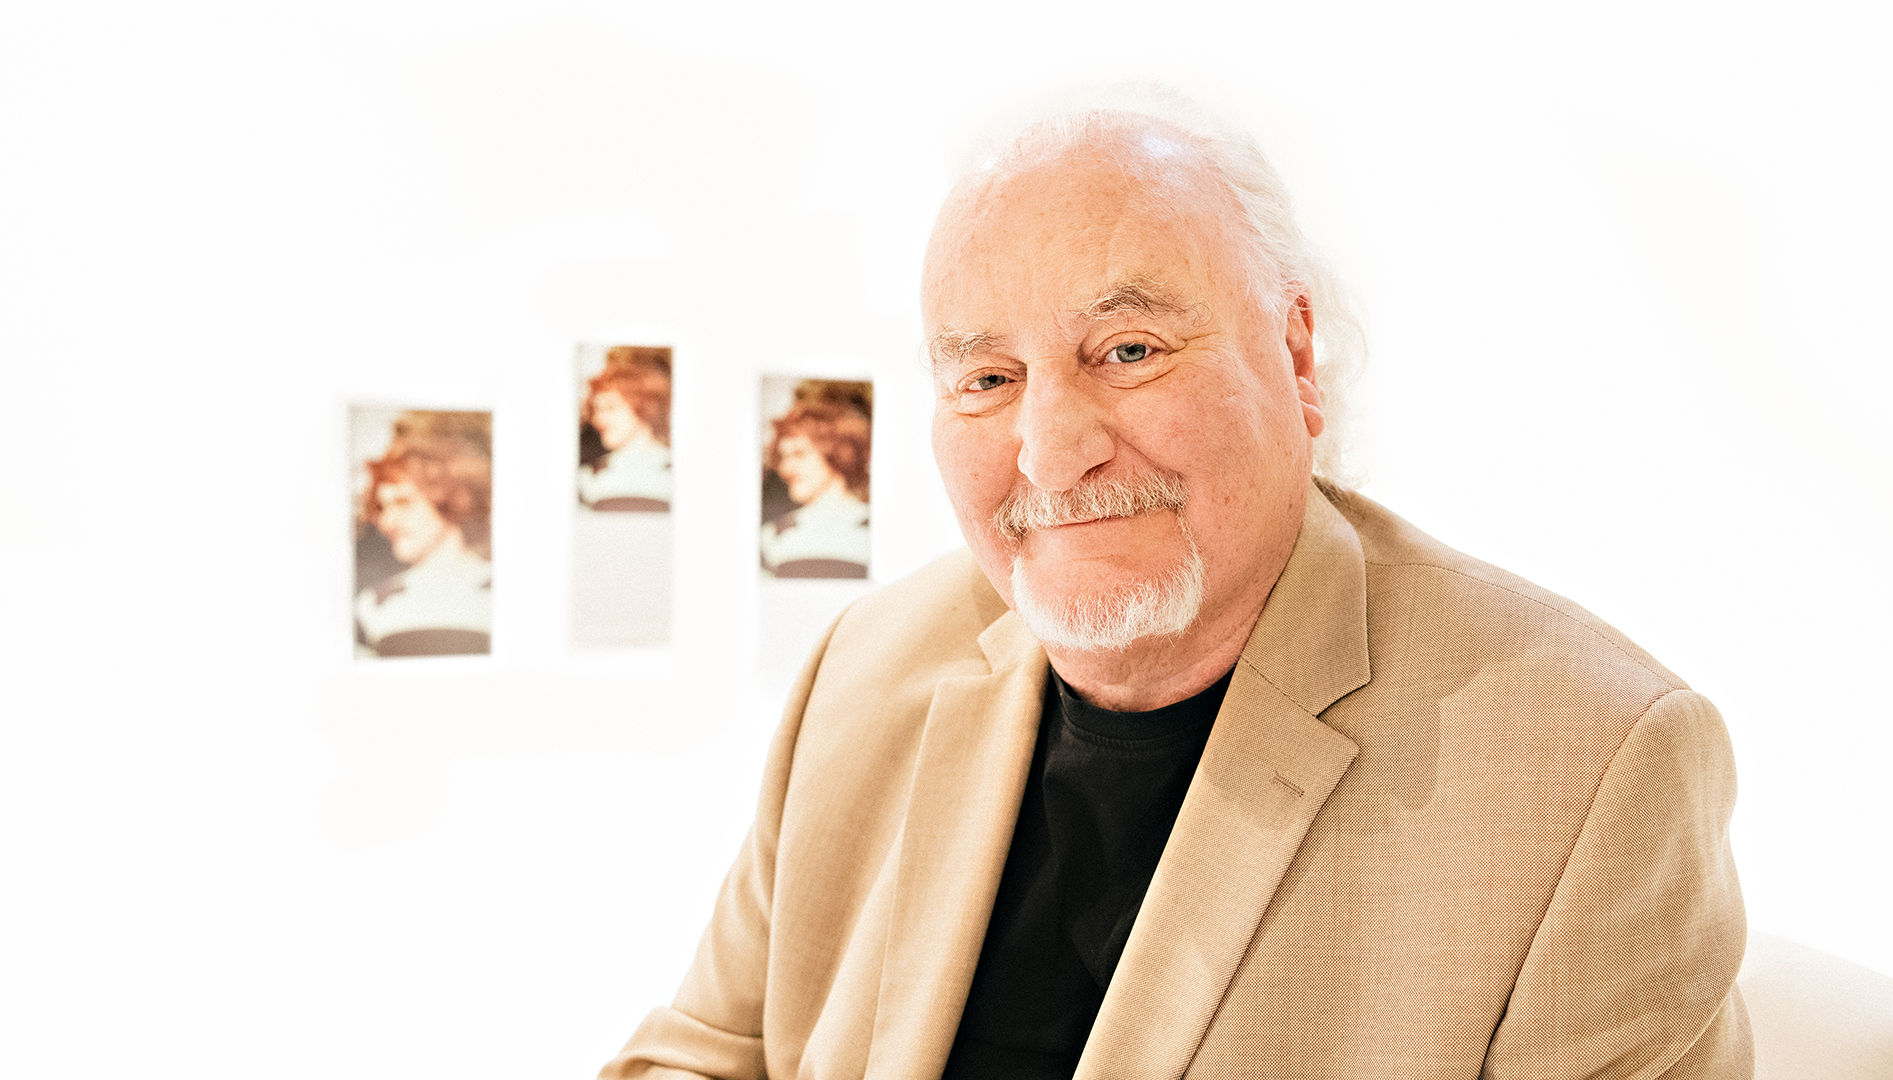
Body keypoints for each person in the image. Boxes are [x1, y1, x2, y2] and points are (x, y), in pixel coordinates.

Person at [602, 94, 1749, 1077]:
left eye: (1130, 350)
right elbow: (703, 1052)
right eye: (988, 378)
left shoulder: (1592, 767)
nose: (1053, 453)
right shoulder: (863, 669)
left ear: (1295, 356)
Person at [354, 410, 493, 657]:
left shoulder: (504, 592)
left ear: (453, 497)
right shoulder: (373, 605)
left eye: (403, 502)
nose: (386, 522)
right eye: (381, 508)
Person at [759, 381, 872, 579]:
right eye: (782, 457)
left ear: (838, 453)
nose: (785, 469)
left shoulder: (875, 528)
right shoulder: (772, 535)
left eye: (799, 454)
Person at [579, 346, 673, 512]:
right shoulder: (586, 479)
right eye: (595, 410)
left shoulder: (680, 472)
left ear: (645, 406)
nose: (598, 420)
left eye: (610, 407)